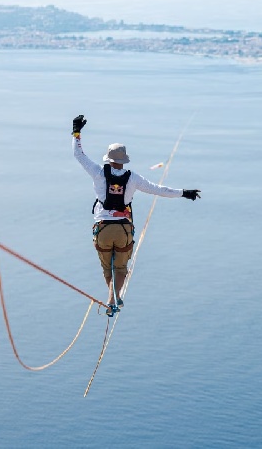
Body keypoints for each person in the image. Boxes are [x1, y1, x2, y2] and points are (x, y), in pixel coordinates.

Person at [72, 115, 200, 317]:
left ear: (108, 159)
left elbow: (79, 155)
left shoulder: (97, 173)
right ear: (123, 161)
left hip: (103, 228)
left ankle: (111, 298)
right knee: (121, 267)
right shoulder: (133, 178)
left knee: (108, 268)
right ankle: (114, 298)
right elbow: (159, 190)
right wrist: (184, 193)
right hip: (123, 229)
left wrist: (76, 132)